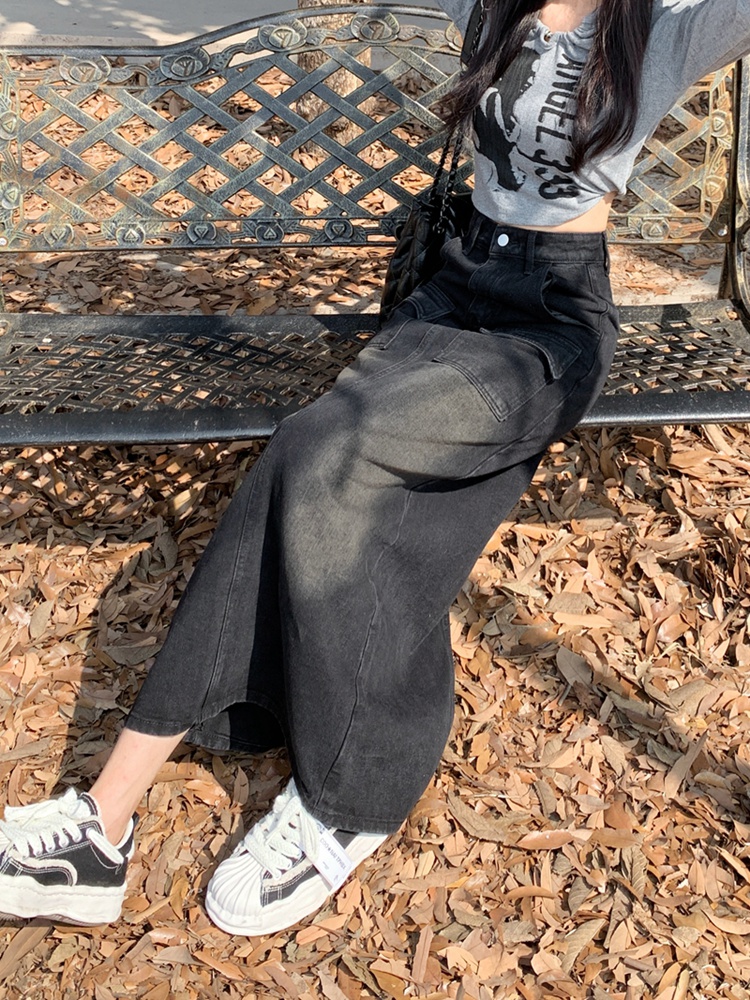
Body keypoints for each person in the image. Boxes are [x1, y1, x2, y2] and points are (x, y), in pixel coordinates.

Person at [1, 0, 748, 936]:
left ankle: (342, 799)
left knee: (321, 452)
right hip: (451, 291)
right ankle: (102, 825)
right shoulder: (497, 8)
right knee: (312, 466)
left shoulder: (660, 30)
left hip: (545, 331)